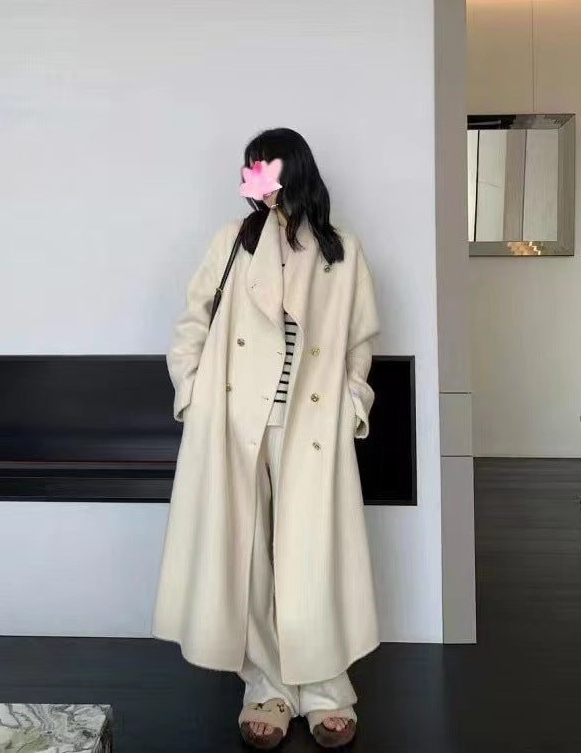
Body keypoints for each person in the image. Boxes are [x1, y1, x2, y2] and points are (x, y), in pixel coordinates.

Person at [152, 127, 382, 749]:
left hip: (311, 423)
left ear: (291, 170)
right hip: (236, 422)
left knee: (313, 554)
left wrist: (351, 404)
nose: (254, 179)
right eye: (250, 168)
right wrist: (194, 395)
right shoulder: (234, 241)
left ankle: (326, 690)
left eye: (263, 167)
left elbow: (359, 341)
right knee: (248, 554)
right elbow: (192, 322)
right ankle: (267, 687)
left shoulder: (342, 250)